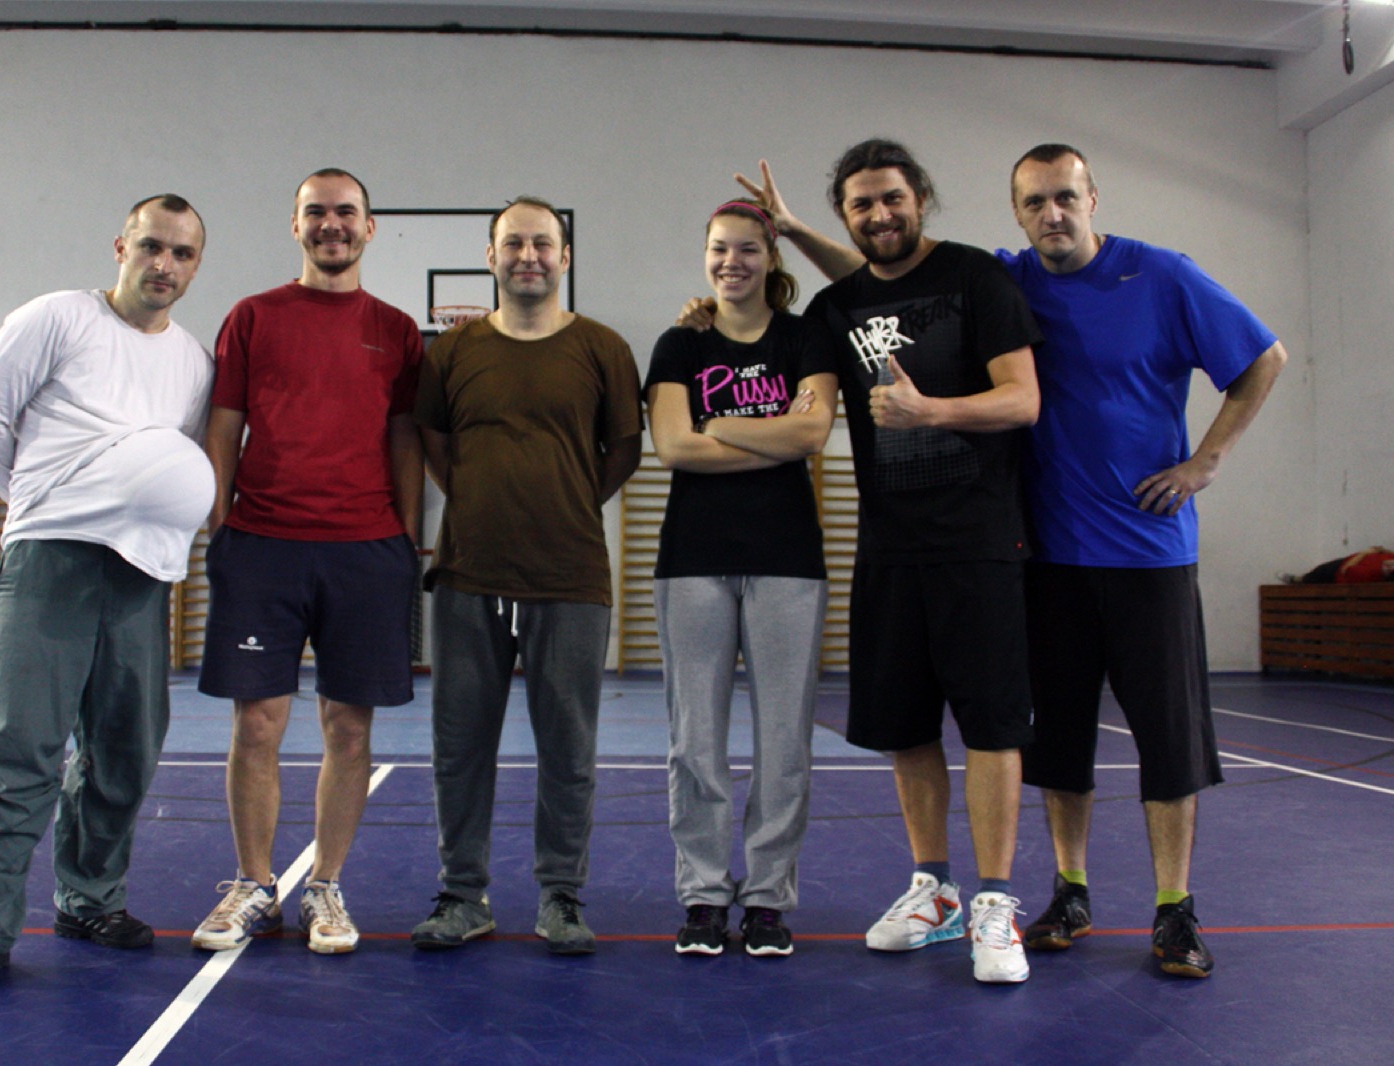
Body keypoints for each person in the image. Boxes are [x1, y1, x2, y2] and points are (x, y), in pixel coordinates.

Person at [692, 141, 1043, 984]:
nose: (881, 215)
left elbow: (1024, 398)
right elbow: (791, 317)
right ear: (844, 216)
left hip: (980, 541)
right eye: (862, 205)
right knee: (905, 728)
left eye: (892, 198)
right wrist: (710, 312)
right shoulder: (838, 304)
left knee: (991, 726)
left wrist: (931, 411)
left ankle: (996, 901)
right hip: (889, 545)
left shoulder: (976, 278)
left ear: (920, 196)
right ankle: (935, 890)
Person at [1003, 144, 1285, 978]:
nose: (1051, 213)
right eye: (1034, 202)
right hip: (1051, 559)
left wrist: (1205, 463)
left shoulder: (1162, 275)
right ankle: (1071, 891)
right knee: (1058, 743)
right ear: (1017, 213)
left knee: (1168, 742)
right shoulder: (1007, 281)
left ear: (1093, 198)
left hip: (1150, 555)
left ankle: (1174, 909)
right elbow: (890, 275)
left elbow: (1263, 358)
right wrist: (794, 234)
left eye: (1064, 196)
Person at [0, 195, 215, 994]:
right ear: (122, 246)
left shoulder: (194, 363)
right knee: (19, 746)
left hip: (142, 573)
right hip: (51, 560)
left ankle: (90, 901)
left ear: (196, 266)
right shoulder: (56, 318)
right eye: (152, 246)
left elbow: (175, 456)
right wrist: (39, 503)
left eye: (182, 253)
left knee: (126, 748)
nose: (164, 265)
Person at [191, 169, 424, 956]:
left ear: (370, 227)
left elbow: (405, 438)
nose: (332, 224)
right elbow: (224, 424)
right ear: (295, 225)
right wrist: (223, 526)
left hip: (366, 552)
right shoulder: (253, 317)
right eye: (316, 212)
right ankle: (254, 885)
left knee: (348, 727)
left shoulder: (397, 330)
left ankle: (325, 884)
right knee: (257, 723)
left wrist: (405, 536)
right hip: (263, 549)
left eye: (346, 212)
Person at [411, 196, 644, 955]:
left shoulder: (604, 348)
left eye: (543, 243)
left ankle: (562, 897)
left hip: (569, 577)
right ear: (491, 256)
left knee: (568, 750)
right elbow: (433, 444)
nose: (529, 256)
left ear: (565, 257)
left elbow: (622, 452)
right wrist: (481, 502)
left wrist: (564, 503)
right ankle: (462, 894)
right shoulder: (451, 352)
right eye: (513, 243)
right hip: (467, 575)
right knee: (459, 747)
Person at [647, 201, 838, 957]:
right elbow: (673, 447)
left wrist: (719, 425)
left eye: (748, 249)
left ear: (771, 258)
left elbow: (812, 432)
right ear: (706, 256)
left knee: (784, 741)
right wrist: (769, 437)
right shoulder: (680, 343)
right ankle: (702, 895)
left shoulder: (804, 336)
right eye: (721, 249)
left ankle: (766, 900)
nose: (733, 262)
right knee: (694, 742)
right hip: (692, 559)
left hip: (787, 560)